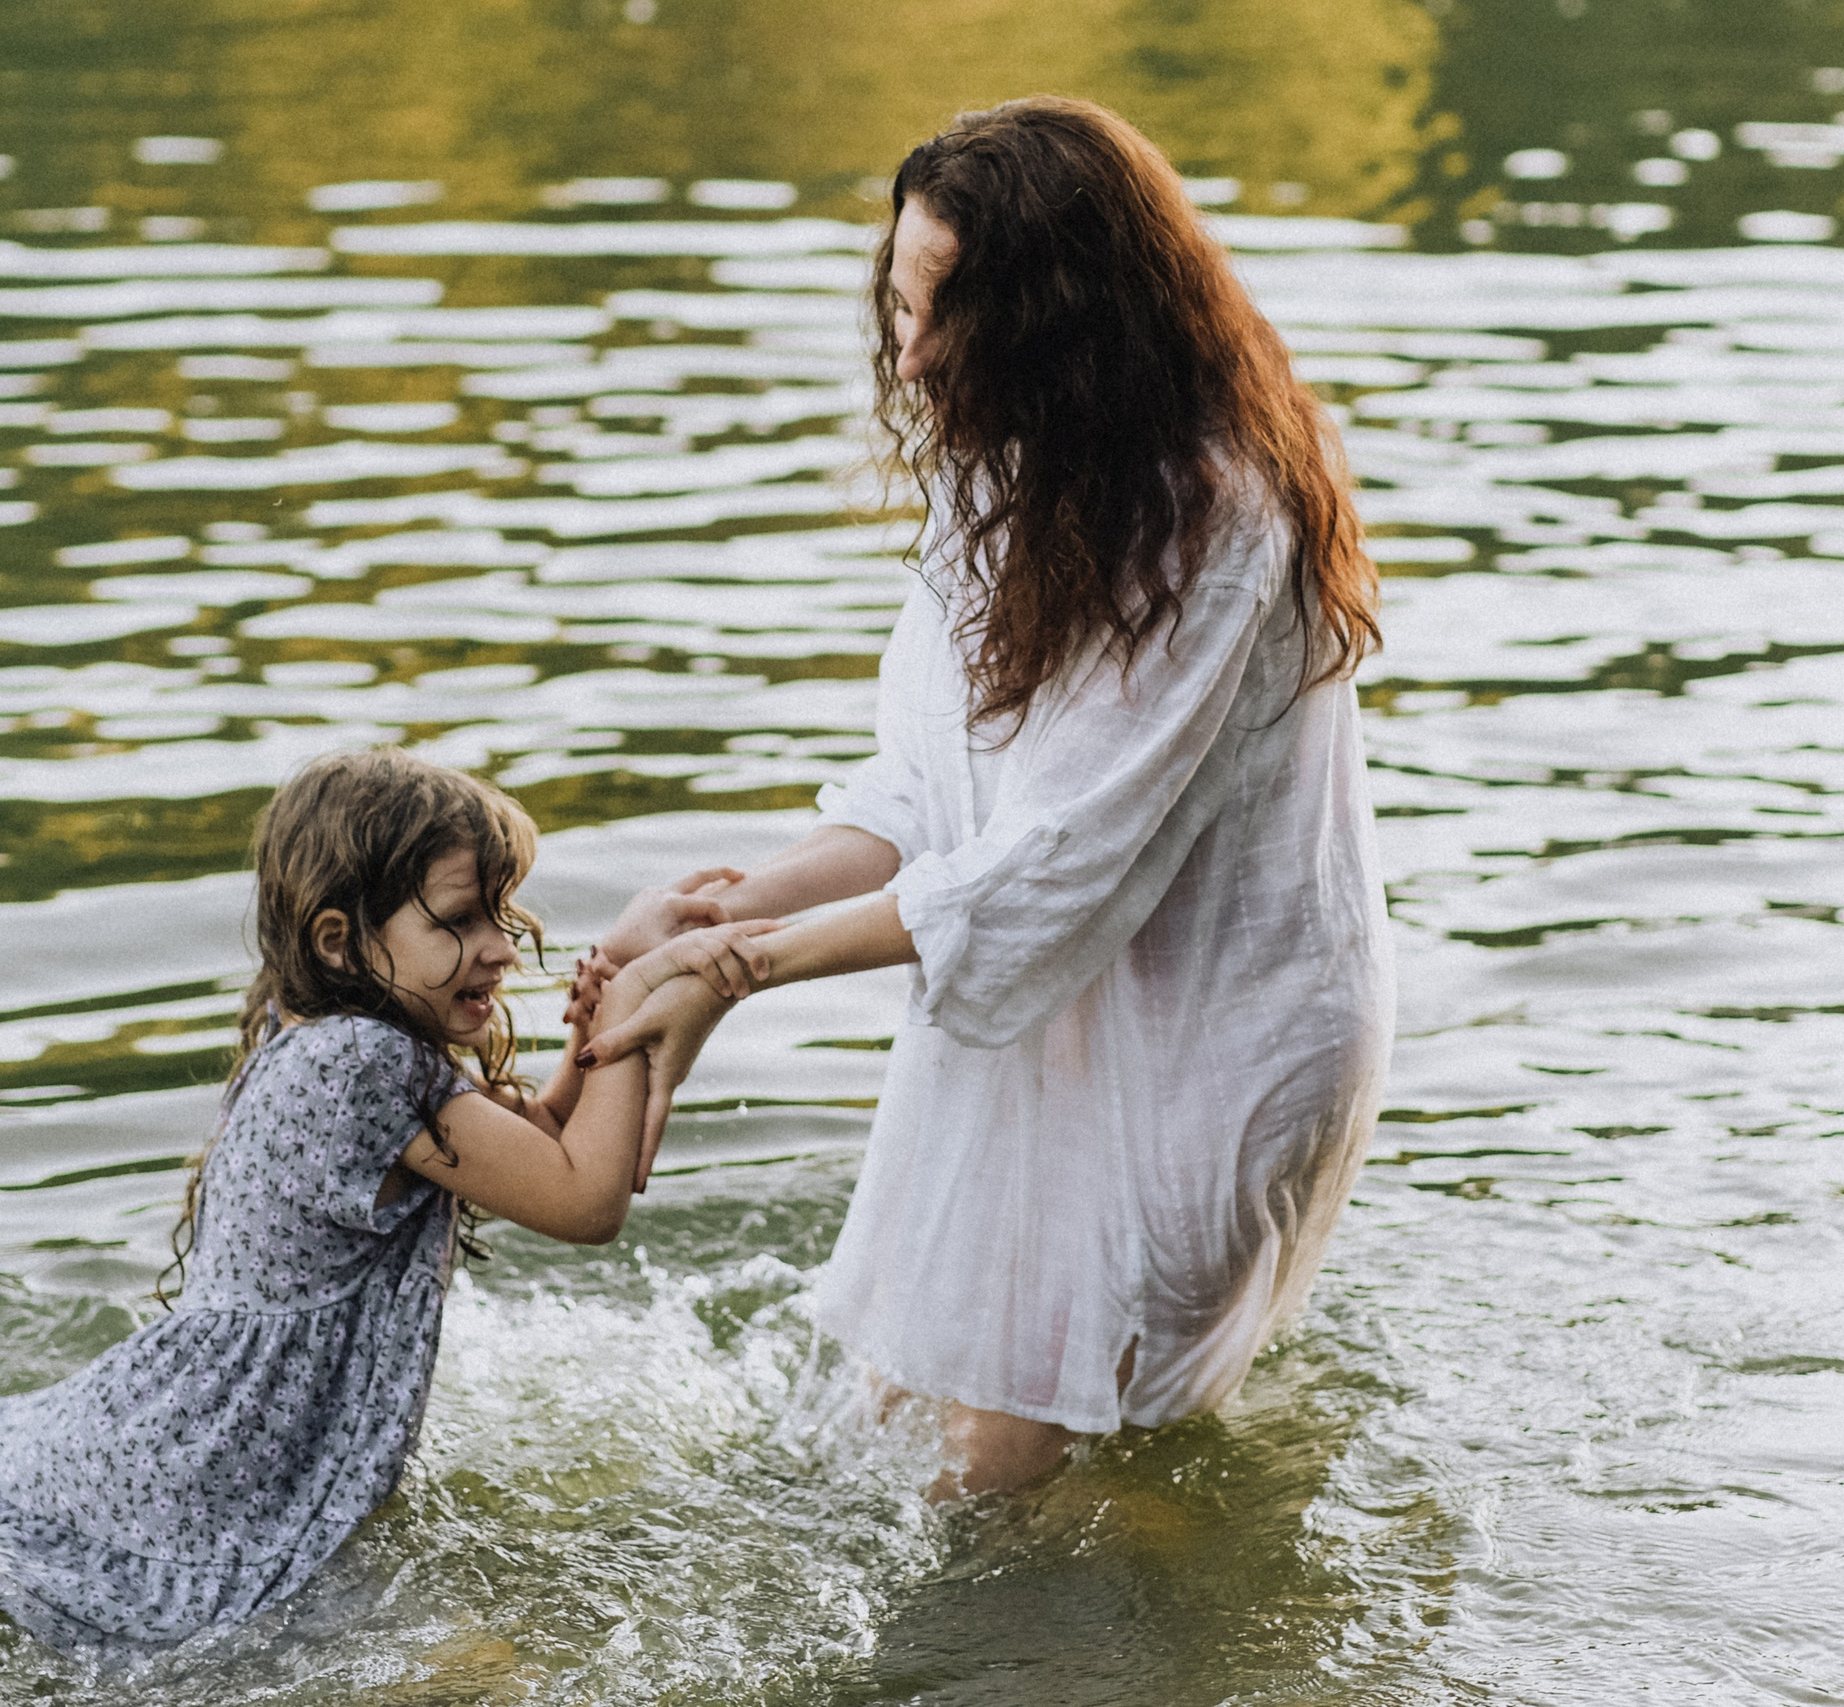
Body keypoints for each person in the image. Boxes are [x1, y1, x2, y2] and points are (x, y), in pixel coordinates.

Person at [584, 96, 1396, 1497]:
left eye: (936, 315)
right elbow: (928, 790)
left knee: (1021, 1468)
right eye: (894, 304)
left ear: (1053, 324)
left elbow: (1051, 856)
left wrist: (740, 967)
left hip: (1217, 1032)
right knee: (909, 1422)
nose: (903, 353)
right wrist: (713, 908)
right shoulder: (1011, 464)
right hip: (1060, 1009)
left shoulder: (1224, 505)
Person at [0, 747, 766, 1651]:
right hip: (210, 1467)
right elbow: (586, 1202)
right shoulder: (367, 1069)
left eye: (503, 911)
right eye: (459, 919)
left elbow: (544, 1150)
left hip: (184, 1425)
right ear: (342, 939)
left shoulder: (336, 1042)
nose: (497, 945)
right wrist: (641, 990)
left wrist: (620, 981)